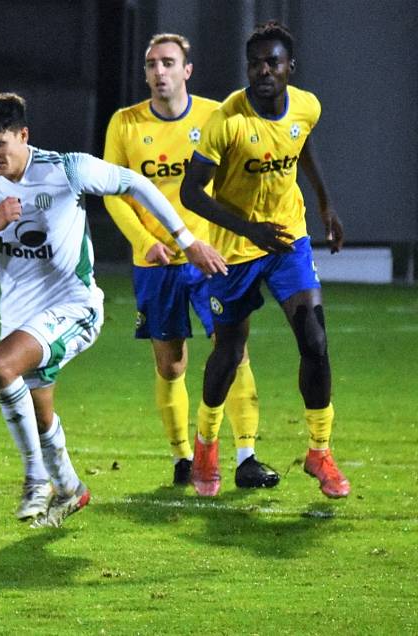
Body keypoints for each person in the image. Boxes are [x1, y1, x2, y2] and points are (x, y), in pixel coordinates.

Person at [0, 92, 226, 527]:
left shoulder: (66, 169)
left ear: (24, 135)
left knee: (0, 367)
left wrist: (186, 242)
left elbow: (136, 183)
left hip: (74, 307)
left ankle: (35, 480)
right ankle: (71, 488)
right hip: (19, 317)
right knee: (40, 419)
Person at [180, 21, 350, 498]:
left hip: (288, 241)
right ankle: (207, 442)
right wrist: (248, 229)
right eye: (255, 63)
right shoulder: (227, 122)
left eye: (272, 62)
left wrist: (324, 204)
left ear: (289, 68)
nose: (263, 71)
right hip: (237, 250)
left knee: (315, 340)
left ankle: (319, 451)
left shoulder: (307, 105)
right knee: (229, 354)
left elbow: (302, 144)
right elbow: (191, 192)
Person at [103, 33, 279, 490]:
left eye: (167, 63)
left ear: (187, 70)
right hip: (155, 263)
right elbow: (115, 196)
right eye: (150, 64)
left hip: (212, 257)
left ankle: (246, 456)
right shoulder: (124, 124)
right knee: (171, 365)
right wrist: (143, 241)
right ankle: (183, 458)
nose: (158, 71)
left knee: (235, 351)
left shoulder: (214, 116)